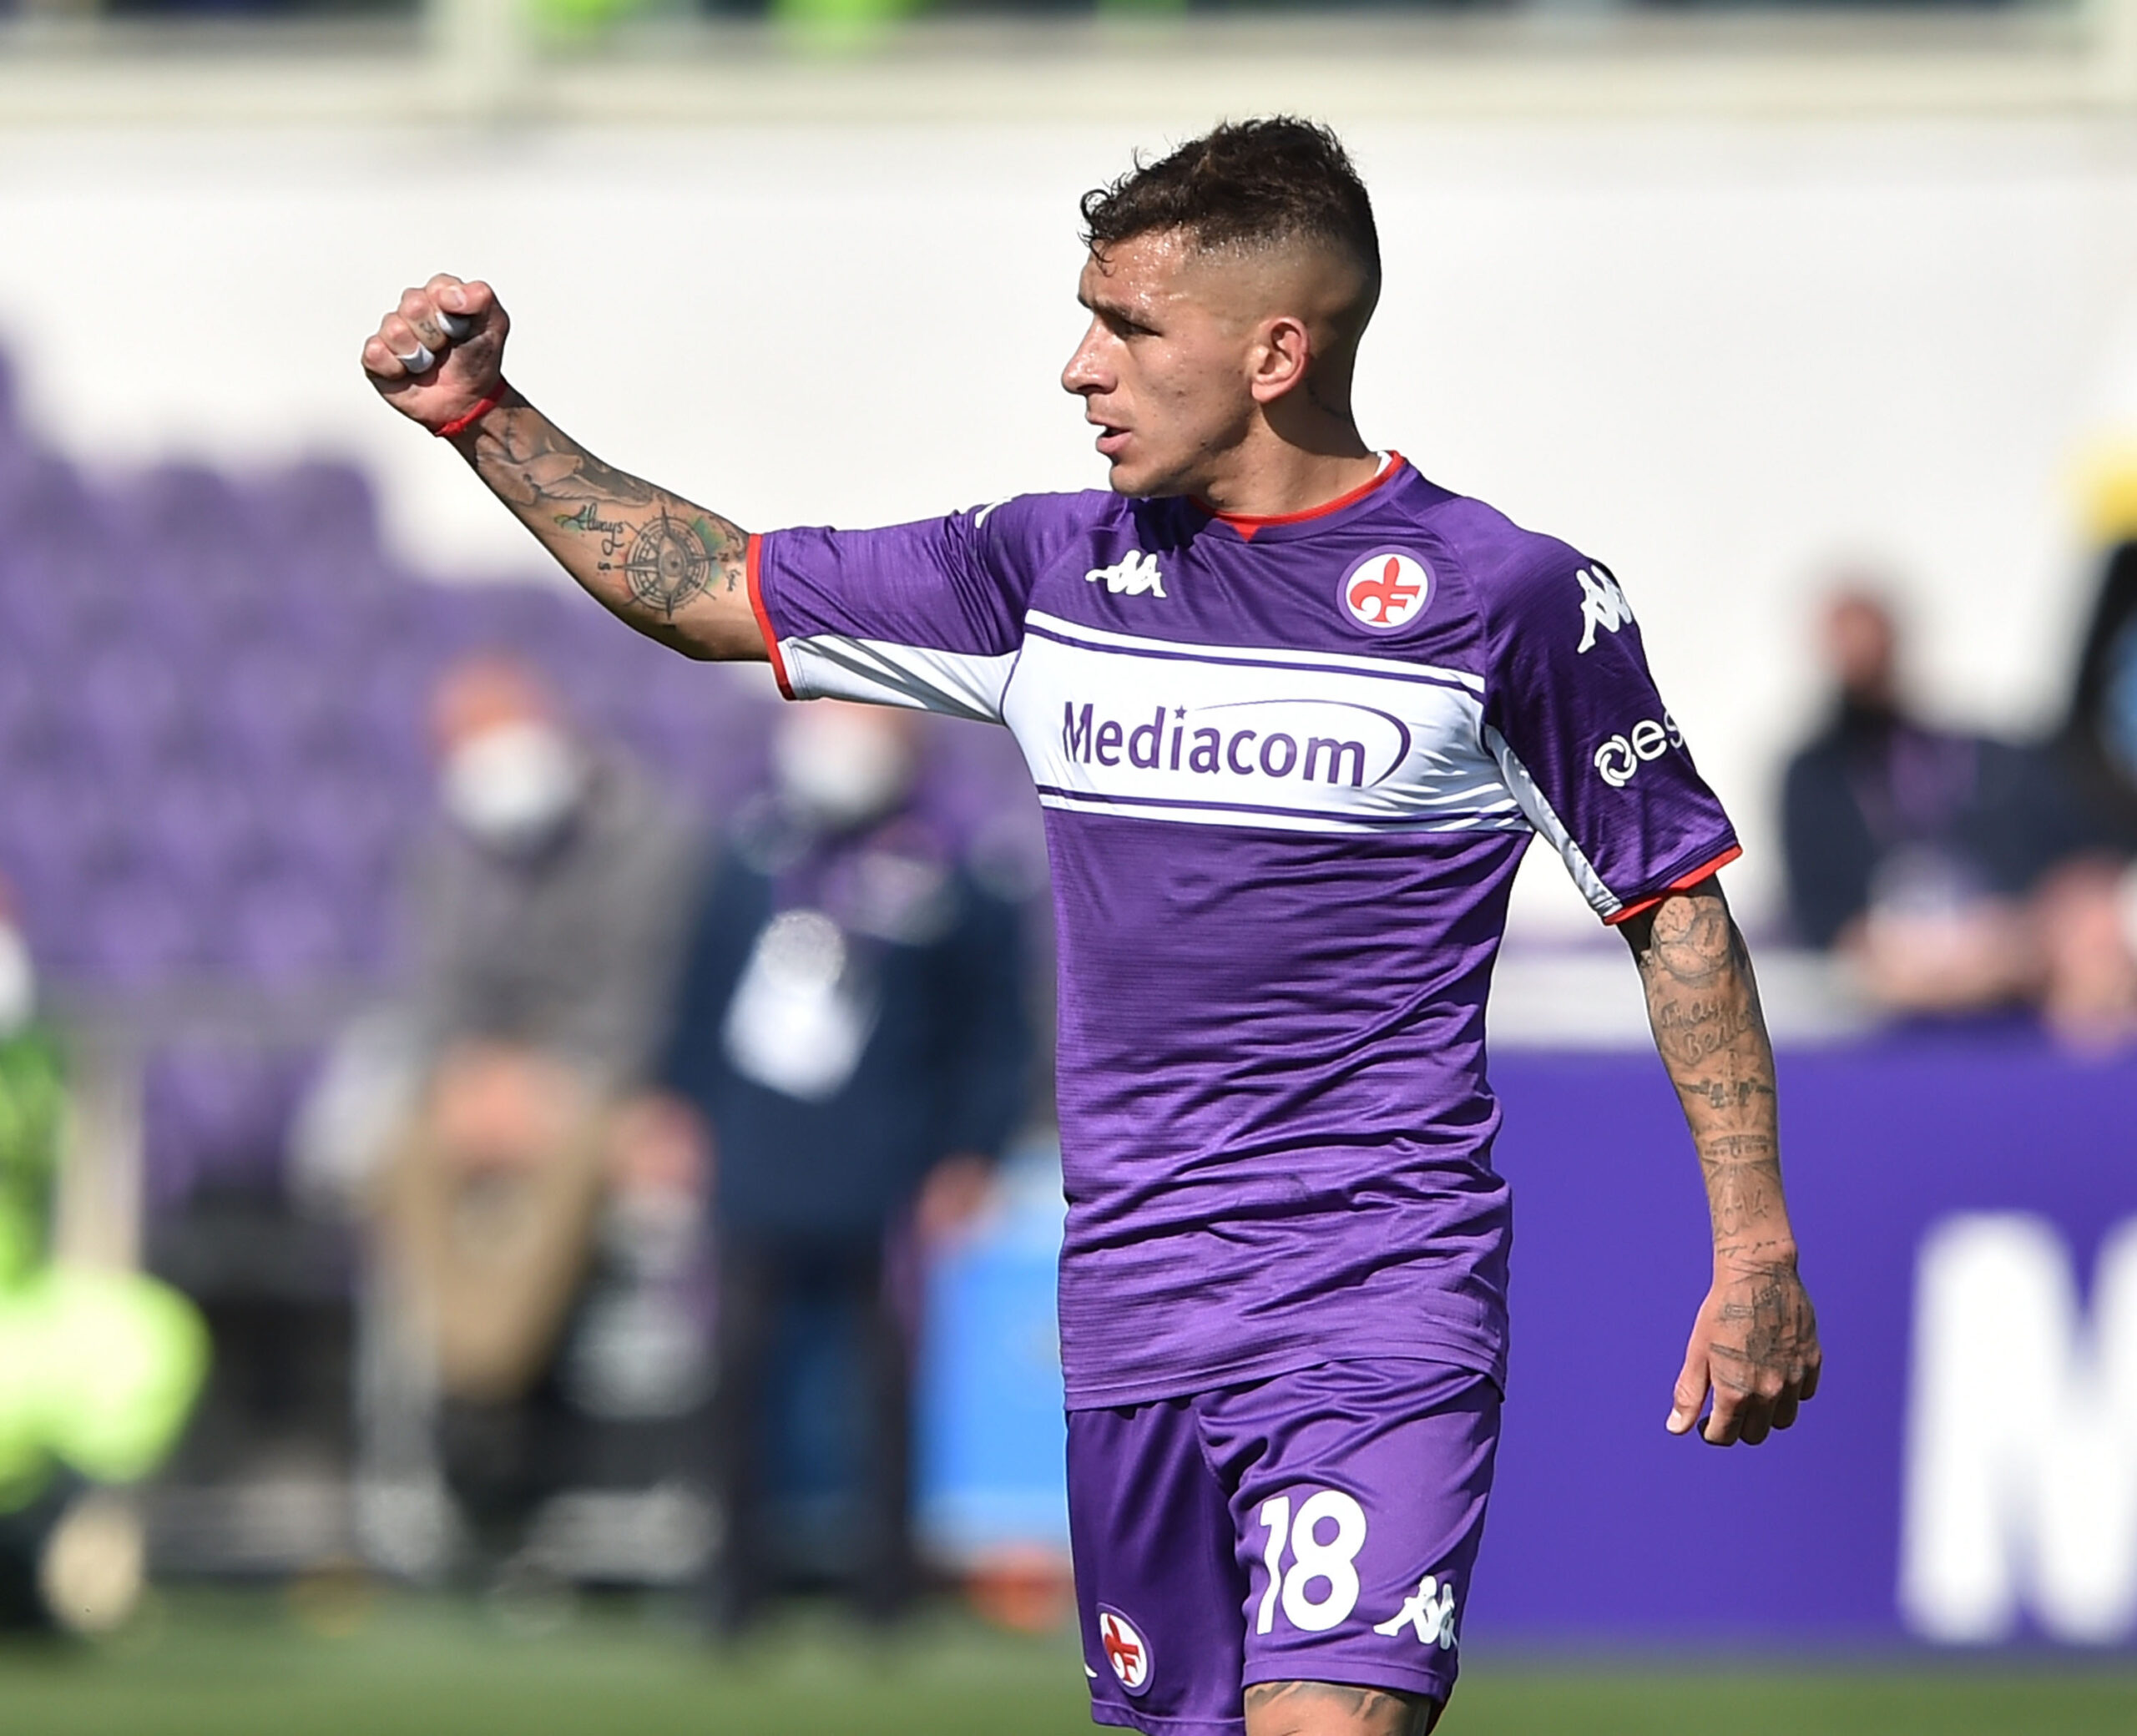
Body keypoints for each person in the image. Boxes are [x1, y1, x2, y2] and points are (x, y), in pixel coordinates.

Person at [362, 118, 1820, 1736]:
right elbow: (709, 583)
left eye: (1127, 327)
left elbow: (1670, 910)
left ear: (1274, 354)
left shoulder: (1504, 600)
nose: (1079, 368)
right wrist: (484, 417)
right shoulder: (1045, 570)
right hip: (1131, 1314)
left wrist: (1752, 1239)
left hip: (1372, 1293)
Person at [656, 699, 1031, 1631]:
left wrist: (970, 1151)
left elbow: (993, 1032)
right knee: (737, 1370)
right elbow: (697, 996)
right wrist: (673, 1109)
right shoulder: (752, 849)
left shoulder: (956, 868)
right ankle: (734, 1584)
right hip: (757, 1151)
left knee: (884, 1382)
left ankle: (885, 1589)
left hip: (888, 1159)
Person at [368, 655, 702, 1565]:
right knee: (400, 1155)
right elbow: (436, 990)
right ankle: (475, 1370)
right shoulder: (448, 851)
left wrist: (552, 1078)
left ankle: (482, 1385)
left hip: (600, 1081)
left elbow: (645, 992)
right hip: (482, 1075)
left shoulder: (647, 834)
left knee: (569, 1164)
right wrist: (469, 1074)